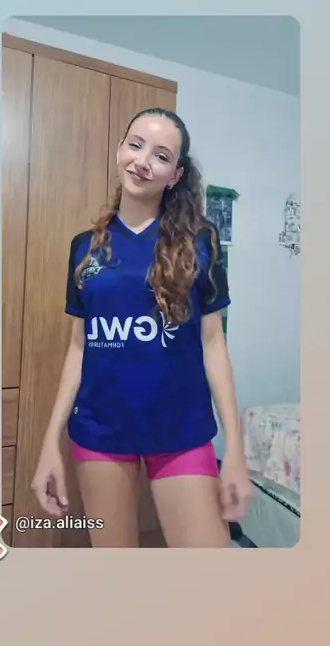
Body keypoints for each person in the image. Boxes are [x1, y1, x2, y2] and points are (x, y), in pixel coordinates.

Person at [32, 107, 252, 547]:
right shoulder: (84, 248)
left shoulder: (201, 241)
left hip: (182, 430)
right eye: (136, 145)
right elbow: (79, 348)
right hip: (100, 433)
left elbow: (213, 344)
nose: (143, 161)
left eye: (161, 155)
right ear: (120, 149)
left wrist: (236, 450)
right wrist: (49, 443)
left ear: (175, 175)